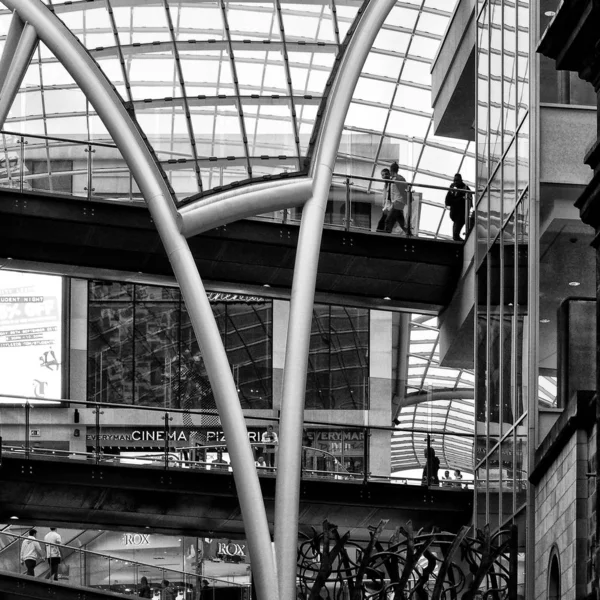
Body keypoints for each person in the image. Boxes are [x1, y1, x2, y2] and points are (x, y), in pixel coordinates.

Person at [445, 173, 472, 241]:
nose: (455, 182)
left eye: (457, 180)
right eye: (454, 181)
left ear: (461, 180)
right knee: (455, 234)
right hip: (455, 214)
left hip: (461, 214)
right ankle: (459, 238)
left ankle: (462, 240)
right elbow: (447, 202)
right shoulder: (454, 190)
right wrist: (450, 190)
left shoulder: (465, 189)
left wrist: (454, 200)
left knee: (456, 234)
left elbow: (463, 202)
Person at [384, 162, 409, 235]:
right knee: (401, 222)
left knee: (388, 221)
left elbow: (403, 191)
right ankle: (409, 234)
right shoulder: (395, 179)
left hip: (398, 202)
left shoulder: (398, 179)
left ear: (391, 170)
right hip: (398, 203)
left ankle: (386, 236)